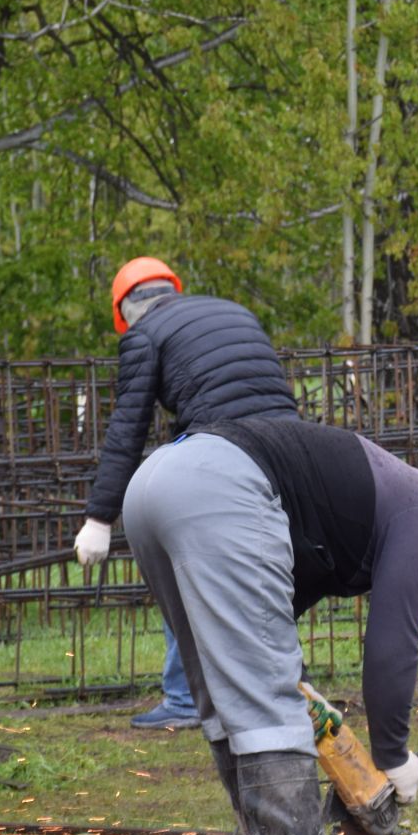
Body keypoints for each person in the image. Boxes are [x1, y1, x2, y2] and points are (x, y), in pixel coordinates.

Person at [122, 417, 418, 835]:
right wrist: (393, 756)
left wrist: (308, 698)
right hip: (222, 488)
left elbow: (272, 614)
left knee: (221, 691)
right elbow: (391, 648)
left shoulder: (381, 498)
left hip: (154, 484)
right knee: (269, 698)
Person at [73, 256, 302, 730]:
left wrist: (99, 519)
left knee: (182, 564)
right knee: (263, 570)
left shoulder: (143, 334)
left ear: (125, 311)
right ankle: (282, 689)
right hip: (290, 449)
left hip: (223, 453)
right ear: (170, 289)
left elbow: (127, 428)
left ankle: (183, 699)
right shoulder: (233, 310)